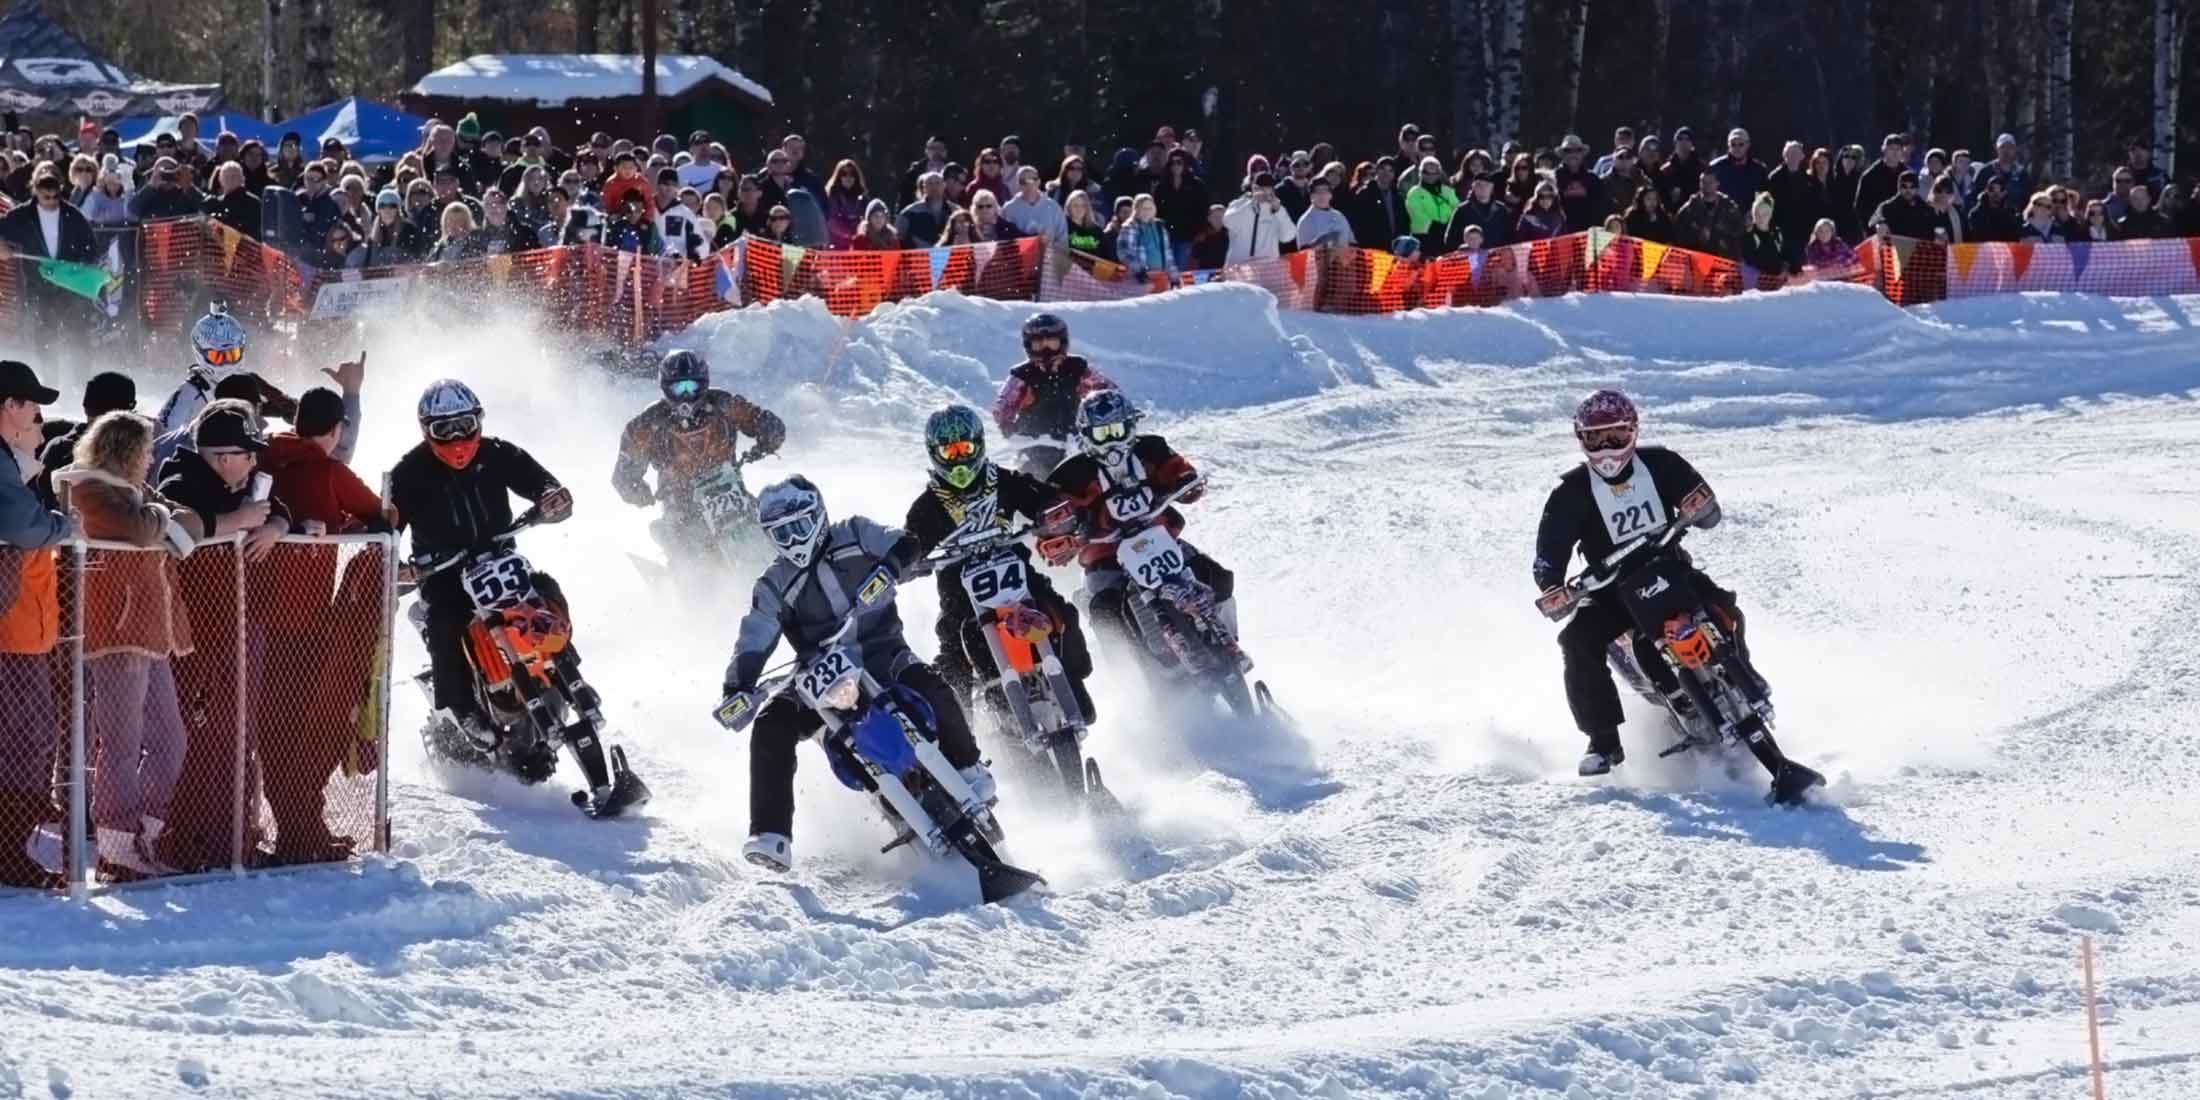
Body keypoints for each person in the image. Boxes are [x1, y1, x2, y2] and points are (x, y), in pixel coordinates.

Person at [1533, 389, 1824, 805]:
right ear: (1582, 441)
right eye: (1597, 440)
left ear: (1633, 433)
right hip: (1612, 592)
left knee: (1727, 610)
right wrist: (1552, 587)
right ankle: (1603, 741)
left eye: (1616, 436)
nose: (1608, 449)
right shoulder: (1571, 493)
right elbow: (1549, 554)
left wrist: (1700, 506)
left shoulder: (1663, 463)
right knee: (1575, 640)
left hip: (1670, 572)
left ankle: (1745, 679)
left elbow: (1707, 509)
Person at [718, 476, 995, 873]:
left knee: (931, 685)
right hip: (818, 679)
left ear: (818, 516)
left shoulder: (855, 533)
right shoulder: (773, 584)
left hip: (883, 654)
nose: (793, 540)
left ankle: (968, 767)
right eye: (781, 533)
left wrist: (892, 565)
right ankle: (771, 835)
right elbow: (755, 636)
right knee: (770, 724)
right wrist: (737, 687)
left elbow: (903, 541)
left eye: (798, 526)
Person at [48, 411, 201, 878]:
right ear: (125, 451)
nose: (153, 457)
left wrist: (157, 521)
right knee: (120, 743)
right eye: (146, 450)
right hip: (115, 633)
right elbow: (137, 530)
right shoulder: (88, 489)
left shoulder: (133, 493)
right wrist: (159, 521)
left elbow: (190, 526)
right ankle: (116, 845)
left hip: (153, 634)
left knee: (170, 741)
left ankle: (146, 836)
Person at [387, 379, 576, 751]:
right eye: (444, 430)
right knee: (445, 621)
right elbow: (386, 529)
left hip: (501, 562)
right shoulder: (407, 473)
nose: (458, 440)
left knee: (547, 588)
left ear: (479, 422)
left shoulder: (499, 453)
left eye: (466, 427)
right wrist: (399, 567)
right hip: (443, 574)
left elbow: (541, 481)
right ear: (427, 431)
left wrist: (551, 497)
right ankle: (461, 707)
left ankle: (568, 664)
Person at [891, 405, 1097, 728]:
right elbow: (911, 541)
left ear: (979, 445)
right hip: (960, 593)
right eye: (950, 451)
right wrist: (905, 560)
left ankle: (1073, 682)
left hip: (1019, 577)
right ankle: (962, 739)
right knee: (953, 656)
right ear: (935, 454)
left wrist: (1054, 513)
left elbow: (1040, 497)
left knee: (1063, 613)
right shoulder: (927, 506)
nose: (959, 459)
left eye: (965, 448)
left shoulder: (1001, 481)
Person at [1047, 389, 1238, 657]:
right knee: (1104, 611)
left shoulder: (1151, 449)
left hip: (1161, 542)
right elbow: (1051, 516)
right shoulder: (1071, 474)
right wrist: (1066, 532)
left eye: (1117, 430)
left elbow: (1179, 470)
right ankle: (1133, 674)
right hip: (1106, 560)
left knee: (1217, 577)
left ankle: (1229, 643)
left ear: (1131, 426)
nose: (1112, 440)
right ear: (1086, 435)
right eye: (1102, 434)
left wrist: (1186, 482)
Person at [612, 350, 786, 559]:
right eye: (679, 387)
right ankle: (681, 583)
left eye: (691, 386)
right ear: (666, 387)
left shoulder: (724, 404)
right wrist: (638, 492)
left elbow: (761, 419)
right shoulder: (647, 424)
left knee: (769, 533)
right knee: (687, 556)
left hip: (731, 494)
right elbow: (623, 474)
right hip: (681, 506)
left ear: (703, 384)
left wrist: (769, 434)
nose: (685, 395)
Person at [156, 306, 297, 437]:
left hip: (246, 453)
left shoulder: (248, 383)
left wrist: (282, 405)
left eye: (232, 355)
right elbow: (161, 434)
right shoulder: (190, 391)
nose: (226, 363)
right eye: (218, 357)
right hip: (204, 455)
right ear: (201, 353)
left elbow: (293, 410)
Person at [991, 313, 1116, 443]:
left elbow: (1106, 390)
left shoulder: (1077, 367)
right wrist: (1011, 432)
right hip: (1035, 442)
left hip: (1075, 440)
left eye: (1051, 343)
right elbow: (1002, 406)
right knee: (1038, 462)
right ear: (1029, 345)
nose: (1046, 348)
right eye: (1038, 343)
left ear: (1062, 342)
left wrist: (1112, 409)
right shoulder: (1022, 374)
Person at [1224, 172, 1295, 264]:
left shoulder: (1277, 208)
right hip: (1238, 268)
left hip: (1266, 271)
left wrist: (1279, 211)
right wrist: (1249, 205)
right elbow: (1227, 221)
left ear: (1272, 190)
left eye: (1267, 188)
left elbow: (1288, 237)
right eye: (1258, 188)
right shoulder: (1238, 204)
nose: (1262, 192)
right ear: (1252, 187)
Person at [1675, 170, 1745, 259]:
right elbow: (1679, 233)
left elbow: (1740, 230)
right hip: (1697, 259)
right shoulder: (1689, 208)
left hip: (1722, 259)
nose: (1707, 185)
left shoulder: (1729, 207)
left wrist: (1724, 230)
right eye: (1703, 182)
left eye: (1710, 182)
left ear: (1717, 183)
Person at [1003, 164, 1069, 247]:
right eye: (1023, 181)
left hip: (1049, 257)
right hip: (1019, 258)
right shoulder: (1008, 209)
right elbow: (1005, 240)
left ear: (1039, 182)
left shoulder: (1053, 207)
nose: (1028, 185)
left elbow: (1063, 239)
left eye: (1032, 180)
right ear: (1018, 184)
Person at [1350, 157, 1408, 251]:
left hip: (1394, 250)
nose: (1386, 173)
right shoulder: (1364, 194)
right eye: (1383, 169)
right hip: (1372, 250)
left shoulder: (1398, 196)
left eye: (1390, 170)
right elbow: (1358, 224)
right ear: (1376, 171)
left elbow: (1403, 222)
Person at [1404, 156, 1459, 255]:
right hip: (1424, 239)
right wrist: (1435, 226)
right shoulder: (1414, 192)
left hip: (1447, 236)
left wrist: (1450, 225)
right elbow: (1416, 214)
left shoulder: (1447, 191)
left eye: (1434, 173)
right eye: (1426, 172)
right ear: (1420, 173)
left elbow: (1457, 209)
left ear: (1439, 174)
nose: (1430, 176)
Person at [1117, 193, 1175, 282]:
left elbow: (1168, 254)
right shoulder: (1129, 227)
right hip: (1138, 278)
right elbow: (1124, 253)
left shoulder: (1159, 227)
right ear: (1136, 209)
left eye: (1150, 208)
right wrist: (1140, 271)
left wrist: (1174, 276)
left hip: (1161, 276)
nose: (1147, 211)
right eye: (1144, 208)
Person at [1294, 178, 1354, 249]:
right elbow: (1303, 253)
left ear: (1330, 195)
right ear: (1311, 196)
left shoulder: (1339, 215)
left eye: (1325, 191)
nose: (1322, 195)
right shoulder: (1305, 220)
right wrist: (1321, 242)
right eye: (1318, 192)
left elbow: (1352, 242)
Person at [1741, 195, 1786, 276]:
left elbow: (1782, 256)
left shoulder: (1777, 232)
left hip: (1777, 282)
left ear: (1771, 214)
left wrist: (1784, 269)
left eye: (1765, 214)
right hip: (1758, 283)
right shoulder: (1748, 236)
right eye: (1757, 213)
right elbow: (1749, 265)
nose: (1761, 217)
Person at [1189, 203, 1229, 269]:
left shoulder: (1230, 235)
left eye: (1221, 217)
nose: (1218, 219)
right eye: (1215, 217)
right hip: (1206, 271)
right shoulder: (1202, 236)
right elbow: (1195, 255)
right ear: (1209, 218)